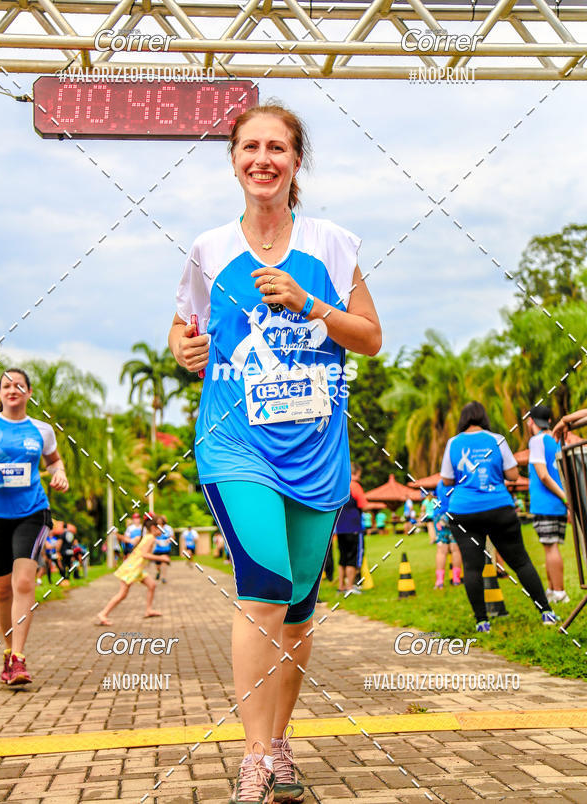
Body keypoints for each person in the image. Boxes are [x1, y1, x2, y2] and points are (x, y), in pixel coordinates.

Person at [169, 102, 381, 804]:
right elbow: (182, 329)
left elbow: (370, 337)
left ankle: (281, 743)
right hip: (235, 445)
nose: (263, 159)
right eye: (249, 147)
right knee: (261, 592)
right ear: (234, 160)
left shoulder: (331, 244)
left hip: (317, 450)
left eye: (277, 148)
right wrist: (185, 349)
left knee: (297, 608)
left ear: (297, 161)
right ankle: (254, 759)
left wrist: (308, 303)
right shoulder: (207, 249)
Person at [440, 401, 558, 632]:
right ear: (484, 417)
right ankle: (546, 612)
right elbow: (513, 475)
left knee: (472, 567)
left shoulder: (452, 443)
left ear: (463, 419)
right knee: (521, 561)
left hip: (464, 512)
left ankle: (482, 621)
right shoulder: (497, 439)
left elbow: (446, 480)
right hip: (498, 508)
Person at [0, 369, 69, 685]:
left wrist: (59, 473)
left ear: (29, 392)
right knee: (1, 587)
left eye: (19, 385)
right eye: (6, 385)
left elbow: (54, 461)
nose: (12, 389)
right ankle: (8, 652)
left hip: (32, 512)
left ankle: (19, 658)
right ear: (0, 393)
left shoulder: (41, 430)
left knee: (23, 582)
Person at [527, 405, 569, 605]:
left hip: (546, 503)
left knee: (551, 547)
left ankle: (560, 592)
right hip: (557, 504)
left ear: (531, 422)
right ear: (550, 422)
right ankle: (552, 590)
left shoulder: (536, 441)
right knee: (550, 546)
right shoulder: (555, 441)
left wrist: (564, 497)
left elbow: (543, 474)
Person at [96, 513, 169, 625]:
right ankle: (103, 613)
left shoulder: (149, 537)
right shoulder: (150, 538)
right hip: (132, 568)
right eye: (161, 527)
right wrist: (161, 558)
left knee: (152, 585)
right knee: (122, 594)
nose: (163, 530)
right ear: (154, 528)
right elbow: (144, 555)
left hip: (137, 568)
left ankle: (148, 610)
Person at [336, 463, 368, 595]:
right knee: (353, 558)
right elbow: (363, 505)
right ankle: (350, 587)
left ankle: (341, 586)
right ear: (356, 473)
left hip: (340, 528)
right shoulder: (355, 486)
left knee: (342, 557)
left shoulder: (340, 485)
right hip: (353, 527)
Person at [433, 480, 463, 589]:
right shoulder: (459, 481)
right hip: (454, 513)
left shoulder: (440, 483)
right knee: (455, 549)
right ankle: (456, 579)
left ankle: (439, 581)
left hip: (439, 515)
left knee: (441, 550)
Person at [154, 515, 175, 582]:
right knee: (158, 565)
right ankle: (158, 571)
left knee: (164, 562)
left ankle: (163, 577)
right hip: (157, 548)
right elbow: (152, 536)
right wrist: (157, 541)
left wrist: (168, 540)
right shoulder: (155, 528)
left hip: (166, 548)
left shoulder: (168, 528)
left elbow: (172, 537)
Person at [58, 522, 75, 586]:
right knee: (69, 564)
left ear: (63, 527)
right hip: (70, 551)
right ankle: (69, 577)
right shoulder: (71, 534)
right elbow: (73, 543)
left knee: (63, 565)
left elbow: (60, 543)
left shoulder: (62, 534)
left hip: (64, 552)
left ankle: (64, 577)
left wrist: (58, 551)